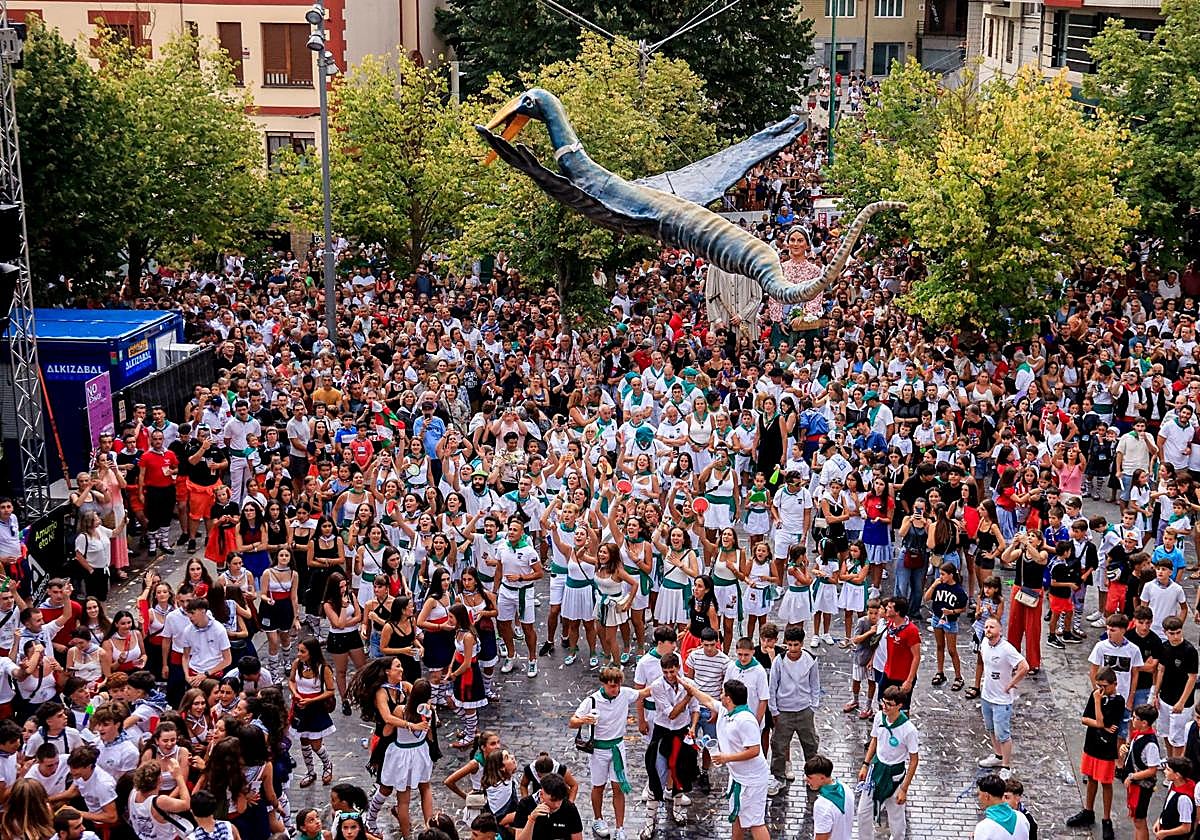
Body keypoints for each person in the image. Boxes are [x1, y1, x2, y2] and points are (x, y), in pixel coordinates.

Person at [683, 677, 772, 840]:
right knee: (736, 815)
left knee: (755, 822)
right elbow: (708, 700)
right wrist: (689, 687)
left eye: (723, 693)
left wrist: (726, 758)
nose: (720, 695)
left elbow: (754, 750)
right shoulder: (726, 710)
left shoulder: (746, 720)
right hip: (738, 777)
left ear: (729, 699)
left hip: (752, 780)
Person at [568, 667, 637, 840]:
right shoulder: (591, 701)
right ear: (603, 684)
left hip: (617, 748)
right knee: (598, 786)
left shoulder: (625, 694)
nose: (616, 690)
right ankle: (598, 819)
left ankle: (620, 827)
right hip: (598, 751)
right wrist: (584, 720)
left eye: (618, 685)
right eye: (612, 686)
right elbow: (572, 722)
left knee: (618, 787)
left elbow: (644, 692)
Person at [1066, 667, 1125, 838]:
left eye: (1104, 686)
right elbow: (1086, 719)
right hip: (1092, 743)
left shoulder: (1117, 701)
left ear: (1114, 684)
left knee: (1106, 782)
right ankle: (1088, 811)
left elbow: (1101, 721)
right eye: (1098, 685)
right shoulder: (1095, 695)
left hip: (1107, 748)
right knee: (1091, 778)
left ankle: (1107, 819)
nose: (1100, 690)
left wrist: (1098, 707)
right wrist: (1100, 724)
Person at [856, 685, 920, 840]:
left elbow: (914, 760)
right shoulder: (879, 717)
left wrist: (904, 788)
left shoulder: (909, 730)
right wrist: (865, 764)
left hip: (895, 776)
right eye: (883, 703)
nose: (884, 707)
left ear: (899, 706)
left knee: (896, 818)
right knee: (862, 813)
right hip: (876, 771)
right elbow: (875, 740)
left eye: (889, 704)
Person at [767, 624, 820, 796]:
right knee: (779, 747)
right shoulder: (779, 661)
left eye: (796, 645)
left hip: (805, 710)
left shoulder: (811, 660)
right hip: (783, 711)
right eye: (789, 645)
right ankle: (778, 778)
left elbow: (815, 685)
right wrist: (774, 710)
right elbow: (772, 686)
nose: (792, 649)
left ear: (802, 643)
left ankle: (813, 777)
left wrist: (813, 706)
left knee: (810, 745)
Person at [976, 617, 1030, 776]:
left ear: (1000, 630)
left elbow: (1024, 666)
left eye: (991, 627)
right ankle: (998, 755)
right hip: (987, 696)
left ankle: (1006, 766)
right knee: (991, 728)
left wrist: (1012, 683)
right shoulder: (984, 644)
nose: (988, 630)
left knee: (1003, 733)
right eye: (986, 627)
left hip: (1001, 700)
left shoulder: (1007, 649)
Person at [511, 773, 583, 840]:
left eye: (560, 800)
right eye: (552, 800)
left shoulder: (569, 808)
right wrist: (531, 820)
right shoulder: (525, 805)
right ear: (541, 794)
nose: (557, 805)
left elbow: (577, 837)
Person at [805, 754, 854, 840]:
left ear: (822, 778)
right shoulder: (846, 788)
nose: (806, 779)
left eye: (810, 777)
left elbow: (821, 838)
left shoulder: (822, 805)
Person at [973, 773, 1030, 840]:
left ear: (986, 796)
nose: (978, 798)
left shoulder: (983, 828)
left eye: (979, 794)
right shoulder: (1022, 818)